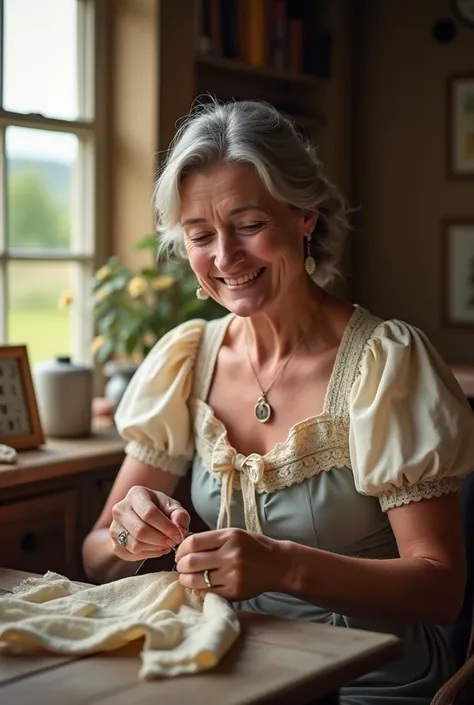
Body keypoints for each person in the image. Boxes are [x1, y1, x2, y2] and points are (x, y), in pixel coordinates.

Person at [82, 99, 474, 704]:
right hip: (232, 673)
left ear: (304, 216)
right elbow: (96, 557)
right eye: (200, 235)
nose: (225, 258)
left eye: (248, 225)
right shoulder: (187, 359)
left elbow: (441, 589)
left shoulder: (386, 363)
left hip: (370, 684)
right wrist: (130, 535)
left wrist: (286, 566)